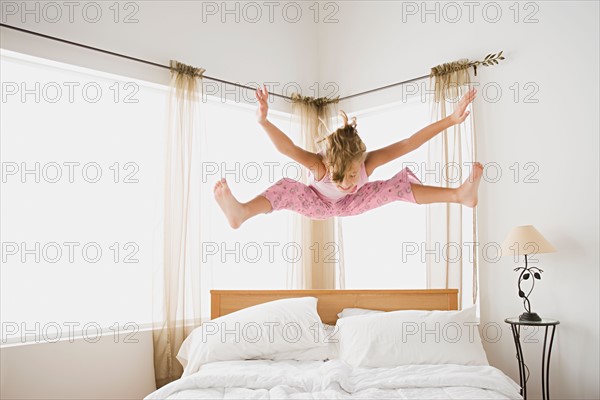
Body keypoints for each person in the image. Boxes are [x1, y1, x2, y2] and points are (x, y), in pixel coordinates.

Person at [214, 85, 482, 229]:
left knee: (395, 187)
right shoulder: (319, 166)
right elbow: (287, 148)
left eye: (354, 174)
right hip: (316, 204)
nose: (350, 182)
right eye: (342, 178)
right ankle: (242, 212)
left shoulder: (366, 164)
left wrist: (450, 120)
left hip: (353, 204)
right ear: (330, 167)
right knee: (287, 186)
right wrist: (264, 121)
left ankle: (460, 195)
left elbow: (409, 142)